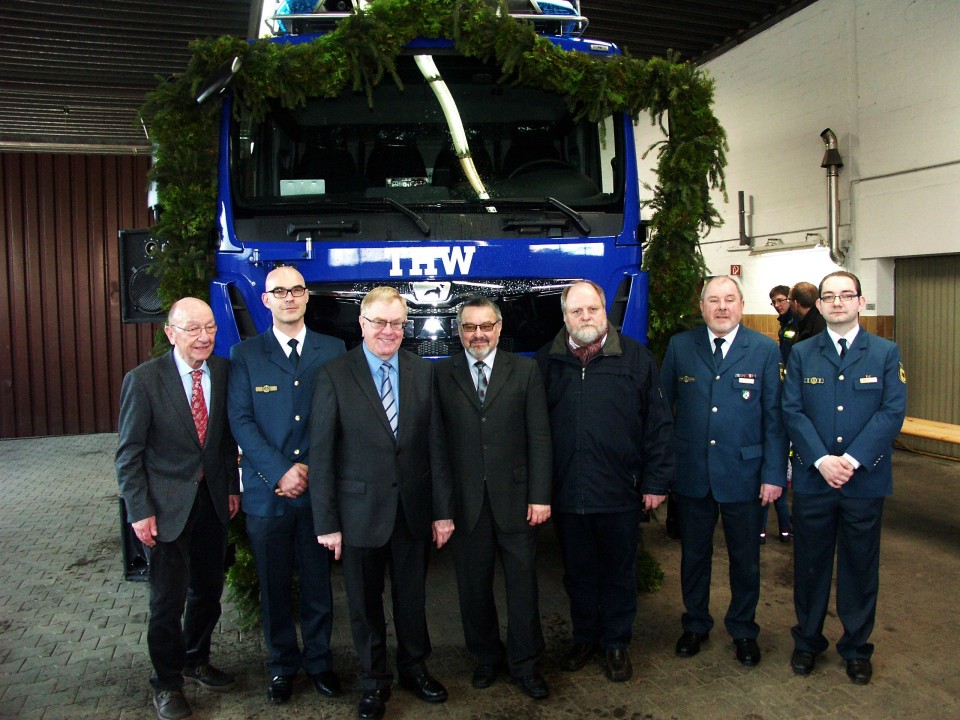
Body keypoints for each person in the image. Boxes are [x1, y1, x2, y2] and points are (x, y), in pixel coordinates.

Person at [308, 286, 455, 720]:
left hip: (411, 511)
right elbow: (322, 454)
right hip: (357, 517)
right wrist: (327, 523)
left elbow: (437, 448)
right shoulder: (334, 375)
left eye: (397, 323)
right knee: (364, 604)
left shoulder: (421, 372)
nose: (389, 331)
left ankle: (415, 668)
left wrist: (442, 511)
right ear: (362, 324)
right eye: (380, 322)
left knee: (412, 598)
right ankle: (373, 682)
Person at [536, 280, 674, 683]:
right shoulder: (547, 362)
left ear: (604, 312)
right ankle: (585, 638)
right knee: (577, 573)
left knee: (618, 572)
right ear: (564, 317)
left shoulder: (635, 359)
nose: (585, 317)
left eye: (592, 310)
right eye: (576, 311)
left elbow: (659, 425)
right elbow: (534, 431)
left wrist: (656, 482)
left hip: (621, 492)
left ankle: (616, 643)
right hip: (567, 494)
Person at [115, 298, 241, 720]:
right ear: (170, 333)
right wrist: (139, 510)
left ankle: (195, 658)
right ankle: (167, 683)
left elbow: (223, 441)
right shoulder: (144, 380)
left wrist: (231, 488)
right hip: (164, 508)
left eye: (209, 328)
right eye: (192, 330)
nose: (204, 337)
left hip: (212, 503)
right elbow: (129, 454)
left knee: (207, 591)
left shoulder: (223, 373)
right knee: (167, 602)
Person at [227, 266, 345, 704]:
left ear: (307, 297)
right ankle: (281, 667)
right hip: (266, 493)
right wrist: (281, 471)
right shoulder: (246, 354)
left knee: (318, 584)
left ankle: (319, 662)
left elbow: (338, 417)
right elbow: (240, 420)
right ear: (266, 300)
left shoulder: (332, 350)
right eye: (280, 291)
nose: (289, 298)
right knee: (274, 587)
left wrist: (311, 467)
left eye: (296, 290)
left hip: (317, 492)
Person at [782, 270, 906, 686]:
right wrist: (820, 460)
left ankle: (856, 648)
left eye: (845, 295)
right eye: (829, 296)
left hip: (864, 481)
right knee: (811, 566)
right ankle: (808, 642)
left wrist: (850, 460)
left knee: (859, 567)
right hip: (815, 481)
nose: (837, 302)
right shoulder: (802, 353)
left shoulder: (885, 352)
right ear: (818, 305)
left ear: (860, 302)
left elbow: (891, 413)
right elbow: (792, 411)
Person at [661, 276, 787, 668]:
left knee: (745, 559)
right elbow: (663, 411)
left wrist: (773, 474)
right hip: (693, 474)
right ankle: (695, 623)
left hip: (746, 476)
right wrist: (664, 471)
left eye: (729, 300)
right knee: (694, 555)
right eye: (713, 300)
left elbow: (775, 418)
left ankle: (744, 629)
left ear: (741, 304)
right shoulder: (681, 346)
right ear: (701, 308)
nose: (721, 307)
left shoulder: (765, 349)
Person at [435, 297, 552, 699]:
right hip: (467, 505)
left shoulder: (526, 370)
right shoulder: (442, 375)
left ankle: (526, 664)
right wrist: (443, 508)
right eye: (470, 327)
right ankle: (485, 658)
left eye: (486, 326)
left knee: (523, 587)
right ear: (459, 330)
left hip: (518, 501)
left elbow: (539, 437)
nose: (478, 334)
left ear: (500, 328)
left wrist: (540, 495)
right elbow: (439, 447)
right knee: (473, 588)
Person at [762, 284, 796, 543]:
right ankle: (762, 532)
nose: (778, 305)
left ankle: (786, 531)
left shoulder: (796, 324)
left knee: (778, 494)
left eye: (781, 300)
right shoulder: (784, 325)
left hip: (790, 388)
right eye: (774, 302)